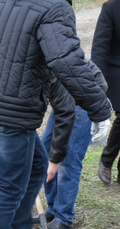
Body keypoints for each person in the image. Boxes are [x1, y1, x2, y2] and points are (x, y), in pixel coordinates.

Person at [0, 0, 111, 229]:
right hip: (16, 111)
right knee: (8, 187)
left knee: (36, 167)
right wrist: (101, 111)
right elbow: (67, 63)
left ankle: (20, 224)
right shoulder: (55, 8)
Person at [37, 61, 109, 229]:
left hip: (82, 106)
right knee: (45, 151)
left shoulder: (62, 55)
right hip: (61, 106)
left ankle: (64, 218)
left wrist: (97, 109)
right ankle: (53, 207)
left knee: (68, 161)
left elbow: (101, 82)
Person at [92, 0, 120, 185]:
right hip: (115, 71)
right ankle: (107, 160)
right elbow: (99, 47)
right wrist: (96, 81)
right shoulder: (111, 8)